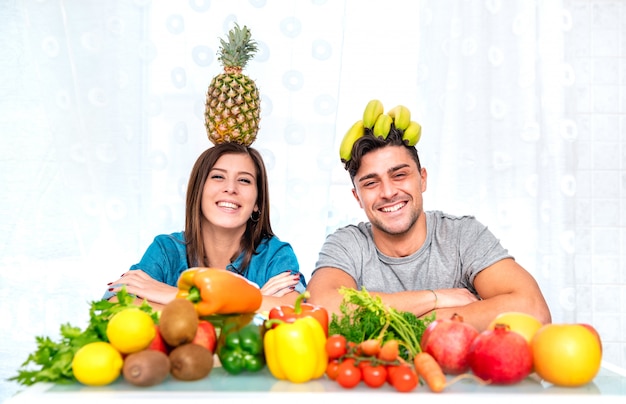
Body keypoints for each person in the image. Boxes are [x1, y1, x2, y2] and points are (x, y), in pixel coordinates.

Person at [306, 124, 551, 331]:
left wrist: (405, 324)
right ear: (357, 197)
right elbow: (321, 310)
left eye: (399, 175)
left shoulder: (463, 235)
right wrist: (436, 298)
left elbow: (533, 310)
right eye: (371, 183)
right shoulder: (347, 244)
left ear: (422, 179)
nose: (389, 192)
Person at [104, 142, 305, 312]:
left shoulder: (275, 254)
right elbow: (116, 302)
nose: (230, 188)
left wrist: (175, 297)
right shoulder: (167, 250)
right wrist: (249, 305)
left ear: (257, 203)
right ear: (198, 191)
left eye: (244, 180)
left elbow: (293, 308)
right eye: (218, 176)